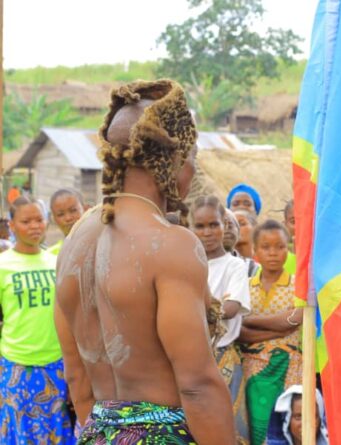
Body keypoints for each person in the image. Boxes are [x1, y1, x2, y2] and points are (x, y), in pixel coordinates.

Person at [55, 80, 236, 444]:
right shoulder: (170, 244)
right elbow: (198, 385)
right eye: (192, 158)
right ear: (173, 159)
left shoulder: (74, 242)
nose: (194, 172)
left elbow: (76, 377)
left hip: (98, 431)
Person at [0, 196, 75, 444]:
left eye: (39, 219)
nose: (34, 226)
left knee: (56, 430)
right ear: (11, 225)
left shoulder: (56, 261)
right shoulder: (3, 266)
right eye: (26, 221)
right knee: (20, 430)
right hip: (16, 365)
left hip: (56, 364)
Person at [190, 195, 251, 443]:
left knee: (229, 430)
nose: (207, 232)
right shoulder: (185, 264)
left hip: (222, 358)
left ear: (224, 225)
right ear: (189, 227)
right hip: (189, 359)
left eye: (214, 224)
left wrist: (191, 311)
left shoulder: (233, 266)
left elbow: (232, 308)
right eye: (200, 226)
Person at [239, 220, 303, 445]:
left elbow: (295, 319)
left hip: (289, 372)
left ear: (289, 248)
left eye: (280, 246)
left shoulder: (298, 286)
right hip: (252, 374)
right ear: (255, 251)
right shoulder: (245, 287)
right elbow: (239, 333)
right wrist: (279, 328)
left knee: (284, 427)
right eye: (266, 247)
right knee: (253, 428)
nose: (273, 253)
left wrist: (250, 321)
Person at [48, 188, 86, 255]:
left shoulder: (100, 246)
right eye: (60, 214)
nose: (68, 218)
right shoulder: (52, 255)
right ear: (54, 218)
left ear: (85, 209)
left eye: (73, 210)